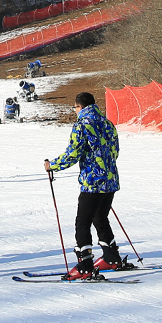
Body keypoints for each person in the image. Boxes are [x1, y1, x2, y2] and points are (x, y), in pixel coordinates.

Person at [45, 92, 131, 280]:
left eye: (75, 108)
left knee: (82, 222)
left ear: (80, 107)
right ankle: (111, 256)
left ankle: (85, 264)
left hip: (92, 182)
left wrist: (52, 165)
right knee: (100, 217)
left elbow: (73, 153)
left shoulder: (82, 125)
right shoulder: (107, 123)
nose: (75, 111)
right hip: (110, 180)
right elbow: (115, 151)